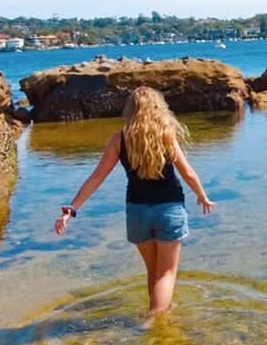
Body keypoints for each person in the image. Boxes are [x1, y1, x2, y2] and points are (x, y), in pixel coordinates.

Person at [54, 86, 215, 321]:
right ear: (158, 109)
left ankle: (161, 311)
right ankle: (153, 320)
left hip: (137, 213)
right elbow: (188, 172)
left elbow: (96, 177)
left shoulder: (119, 139)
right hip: (169, 209)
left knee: (154, 272)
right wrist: (201, 195)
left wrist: (72, 209)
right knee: (167, 273)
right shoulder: (165, 135)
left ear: (130, 110)